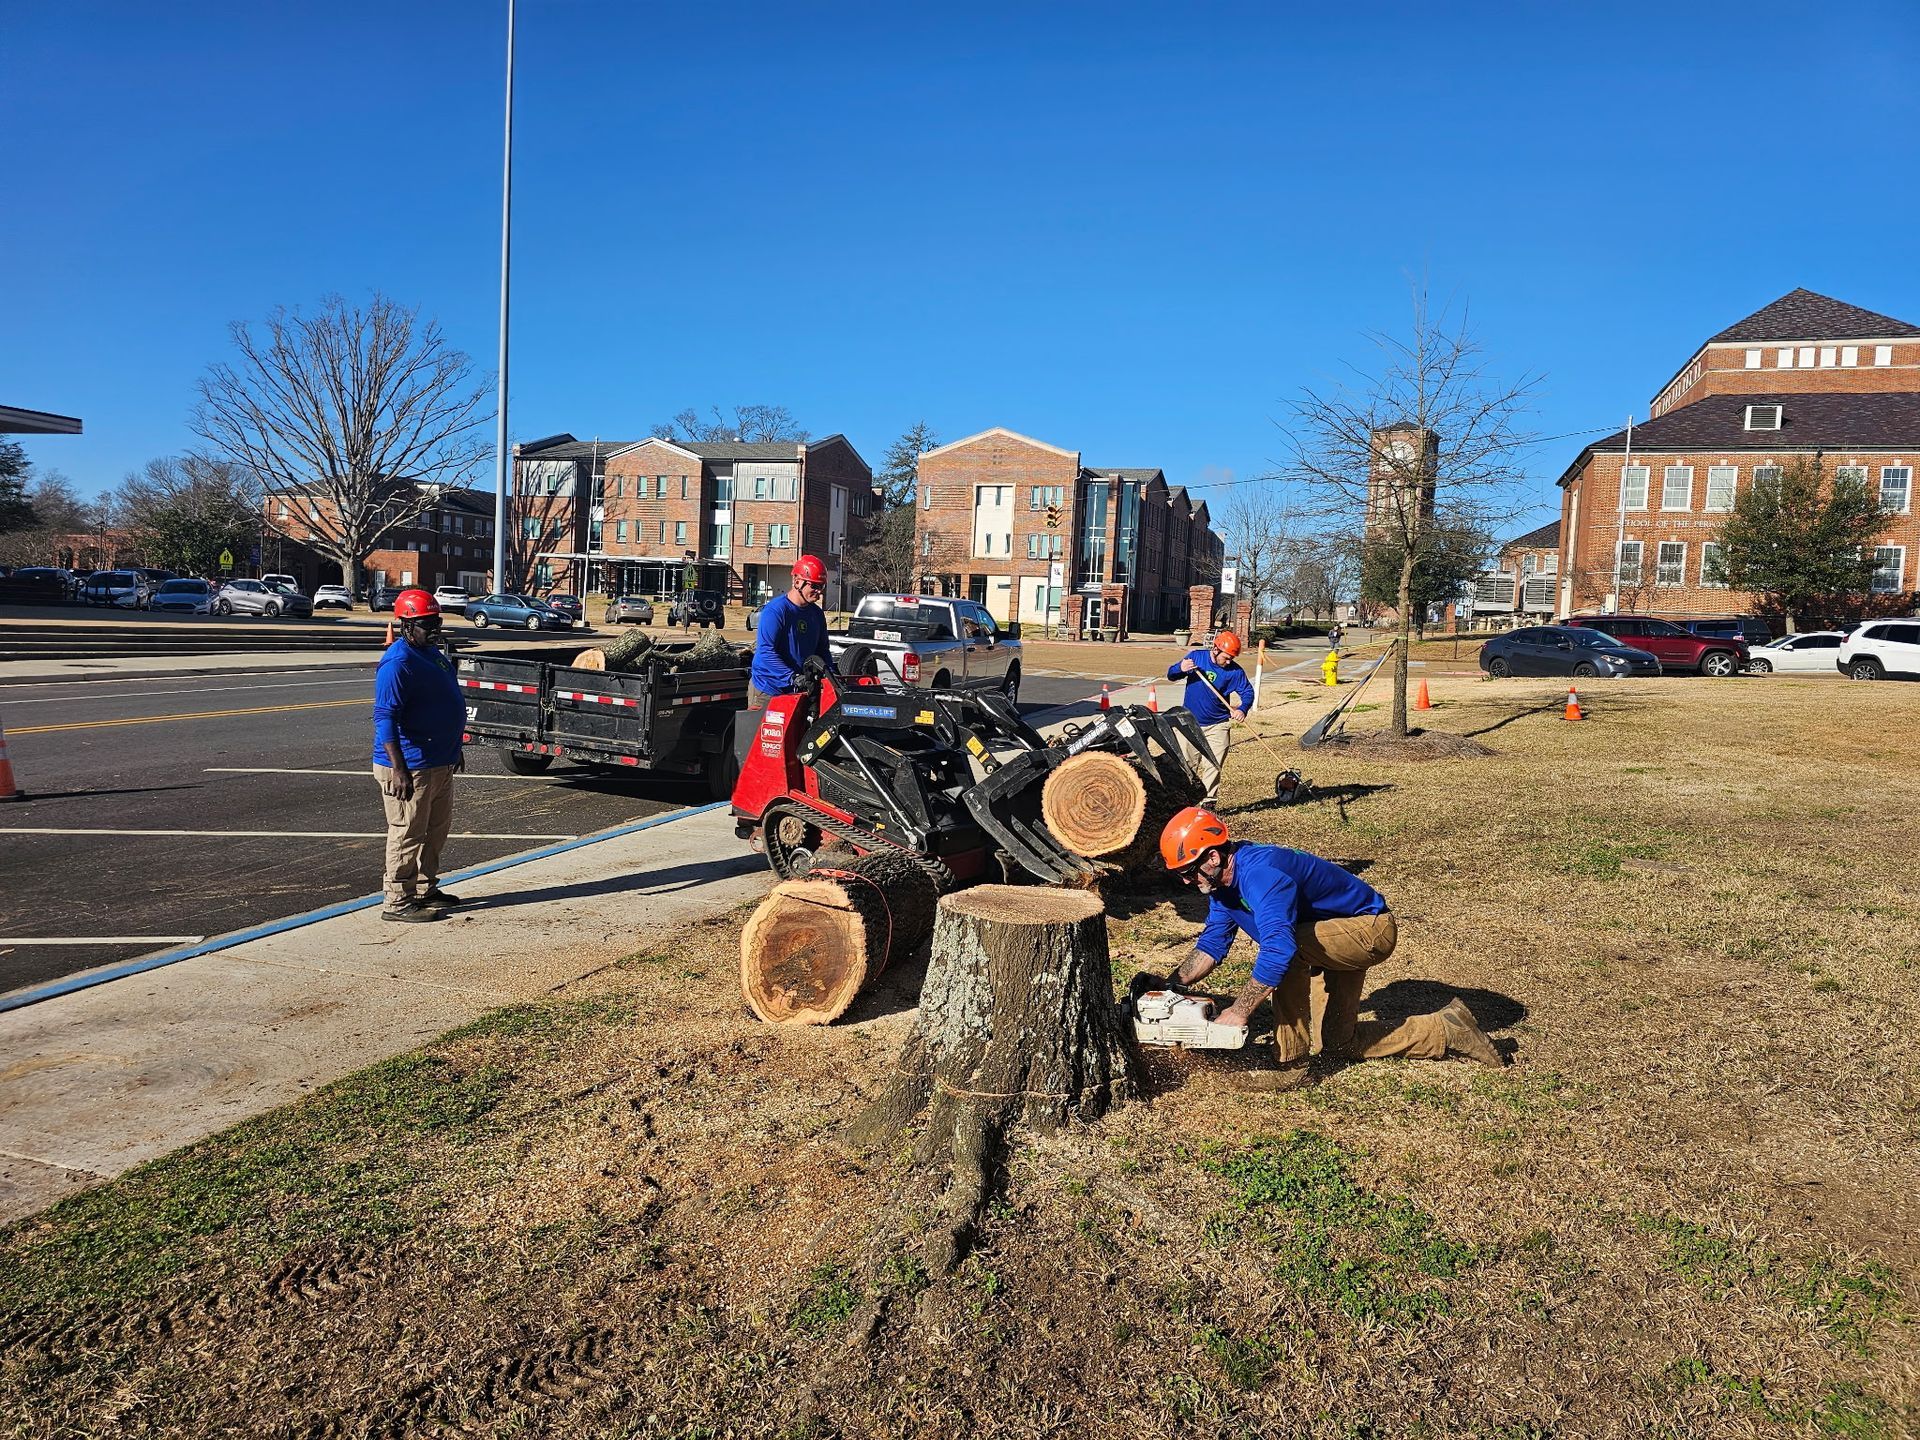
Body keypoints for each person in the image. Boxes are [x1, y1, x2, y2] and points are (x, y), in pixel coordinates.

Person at [1155, 807, 1504, 1069]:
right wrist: (1171, 984)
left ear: (1213, 856)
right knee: (1338, 1043)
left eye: (1188, 872)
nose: (1187, 882)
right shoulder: (1222, 890)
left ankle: (1289, 1061)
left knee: (1286, 950)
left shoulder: (1260, 874)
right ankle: (1448, 1029)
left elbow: (1280, 948)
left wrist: (1240, 1010)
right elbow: (1213, 943)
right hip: (1329, 938)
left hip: (1369, 929)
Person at [371, 588, 465, 922]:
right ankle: (397, 900)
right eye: (427, 623)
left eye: (437, 621)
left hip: (440, 761)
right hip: (411, 765)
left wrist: (455, 748)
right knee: (407, 832)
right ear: (407, 625)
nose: (435, 628)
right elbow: (385, 718)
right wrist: (399, 769)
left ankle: (425, 888)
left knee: (436, 830)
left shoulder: (432, 653)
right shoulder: (398, 663)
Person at [1168, 630, 1255, 806]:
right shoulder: (1196, 658)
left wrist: (1242, 709)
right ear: (1215, 649)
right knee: (1187, 765)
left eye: (1232, 658)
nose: (1229, 661)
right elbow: (1171, 674)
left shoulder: (1235, 672)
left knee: (1213, 764)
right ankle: (1183, 802)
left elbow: (1247, 692)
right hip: (1189, 723)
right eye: (1227, 657)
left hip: (1218, 724)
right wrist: (1180, 669)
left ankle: (1208, 803)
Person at [748, 554, 836, 711]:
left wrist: (831, 677)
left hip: (798, 690)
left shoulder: (816, 614)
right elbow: (766, 652)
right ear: (797, 582)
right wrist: (792, 677)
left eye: (821, 586)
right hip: (769, 690)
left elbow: (822, 651)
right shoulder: (776, 611)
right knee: (764, 736)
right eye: (814, 586)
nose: (819, 592)